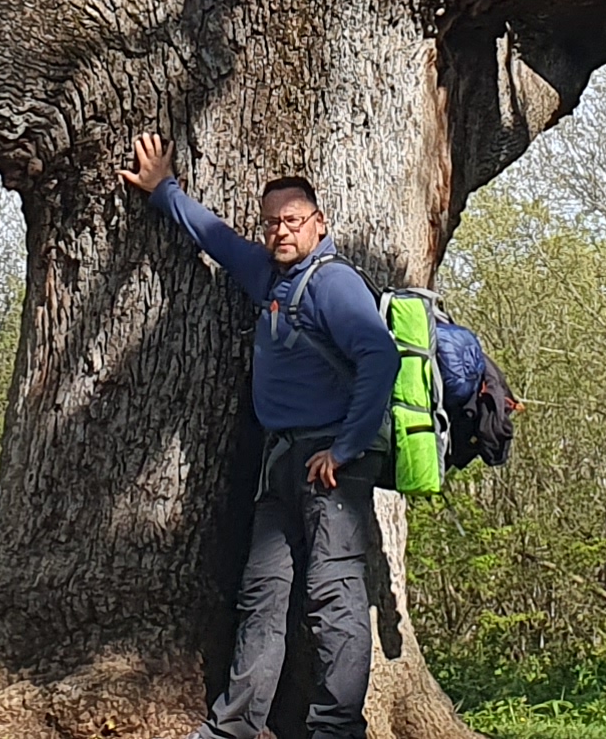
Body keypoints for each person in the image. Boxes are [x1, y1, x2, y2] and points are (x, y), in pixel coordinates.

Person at [121, 131, 399, 739]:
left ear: (318, 224)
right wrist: (163, 189)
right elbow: (215, 239)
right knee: (264, 596)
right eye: (271, 222)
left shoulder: (333, 283)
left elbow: (381, 358)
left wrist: (346, 448)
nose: (279, 231)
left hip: (331, 465)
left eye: (292, 220)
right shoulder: (271, 279)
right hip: (283, 463)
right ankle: (235, 729)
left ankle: (336, 729)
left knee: (334, 598)